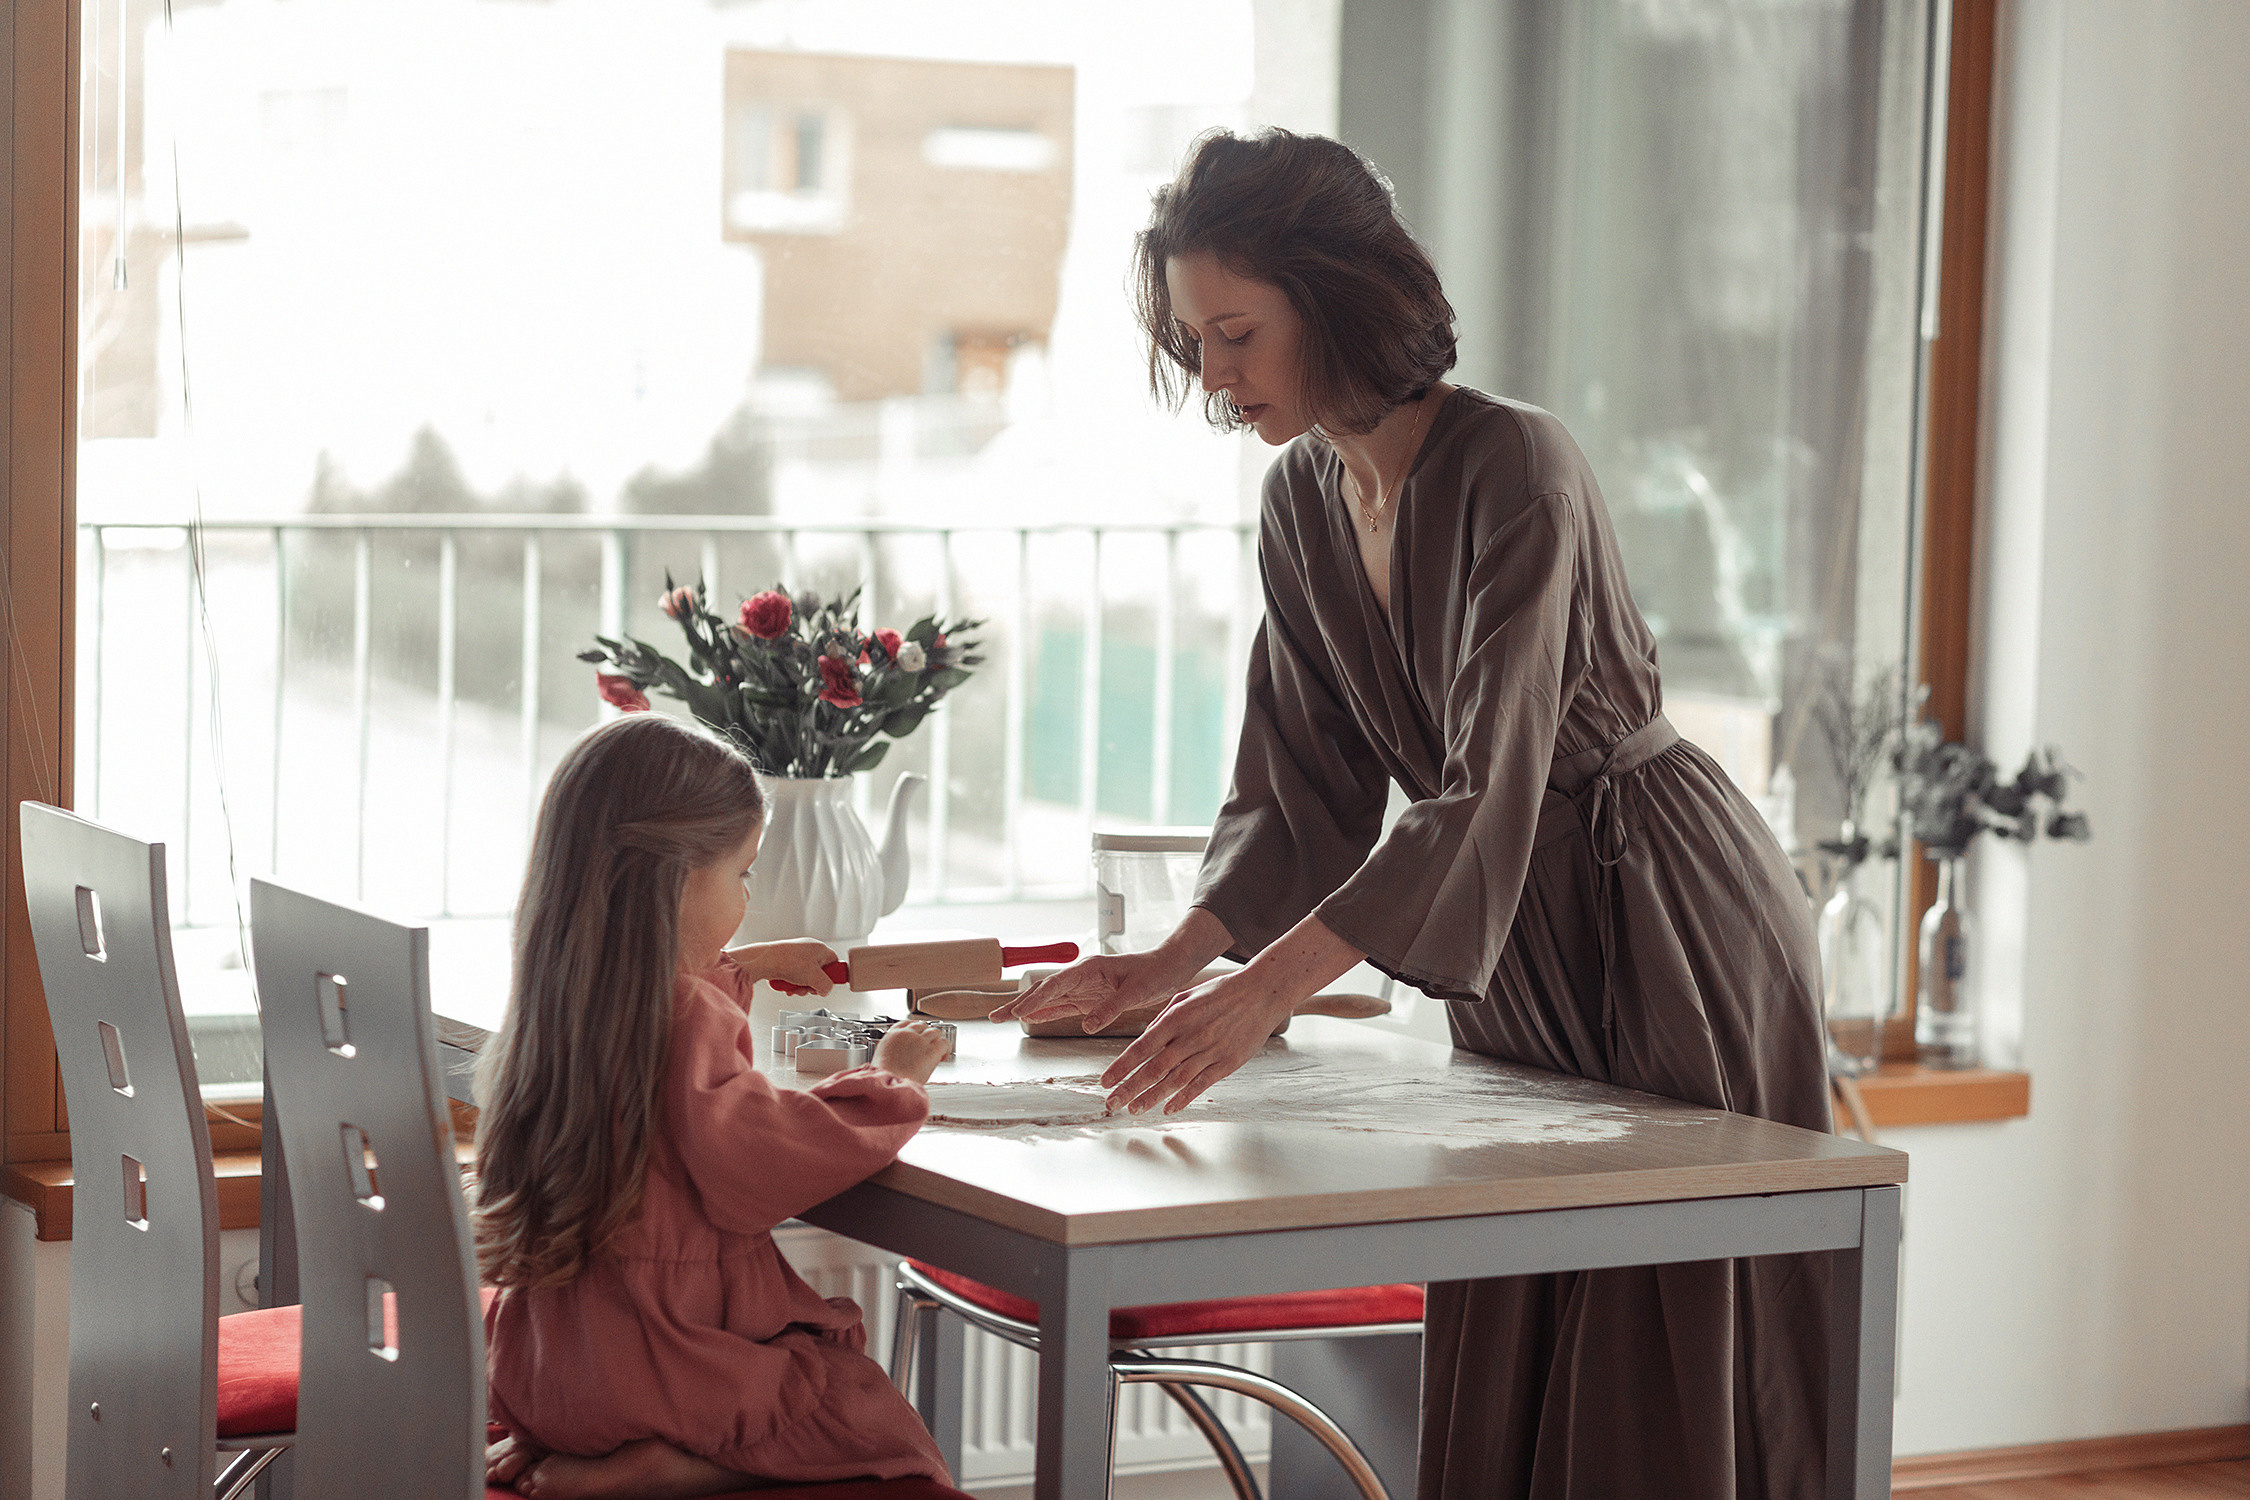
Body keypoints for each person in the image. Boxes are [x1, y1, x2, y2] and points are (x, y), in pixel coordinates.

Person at [993, 129, 1835, 1498]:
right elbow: (1297, 779)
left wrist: (1260, 993)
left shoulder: (1519, 465)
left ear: (1330, 301)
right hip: (1512, 945)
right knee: (1520, 1306)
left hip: (1665, 918)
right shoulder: (1302, 502)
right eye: (1192, 339)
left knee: (1668, 1317)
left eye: (1235, 332)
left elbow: (1480, 785)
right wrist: (1169, 964)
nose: (1212, 374)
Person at [474, 712, 954, 1500]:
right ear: (671, 883)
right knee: (869, 1412)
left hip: (546, 1374)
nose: (747, 897)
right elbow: (762, 1158)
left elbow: (668, 1029)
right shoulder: (686, 1021)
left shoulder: (556, 1008)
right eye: (741, 876)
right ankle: (679, 1468)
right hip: (661, 1373)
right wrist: (895, 1078)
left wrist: (754, 965)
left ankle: (591, 1452)